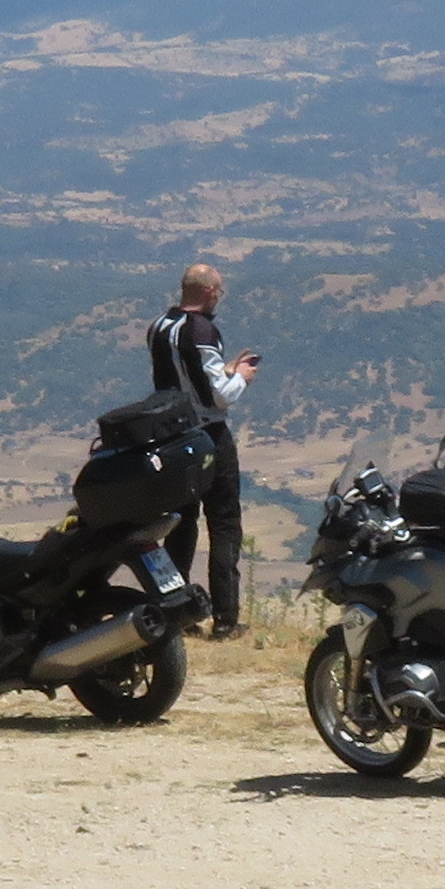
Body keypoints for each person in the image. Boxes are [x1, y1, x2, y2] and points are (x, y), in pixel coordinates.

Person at [144, 263, 258, 635]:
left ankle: (179, 613)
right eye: (218, 292)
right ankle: (225, 619)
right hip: (208, 435)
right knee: (223, 523)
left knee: (180, 523)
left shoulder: (160, 327)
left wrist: (224, 370)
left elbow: (183, 378)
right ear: (209, 292)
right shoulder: (203, 330)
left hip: (173, 437)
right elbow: (218, 397)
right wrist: (241, 378)